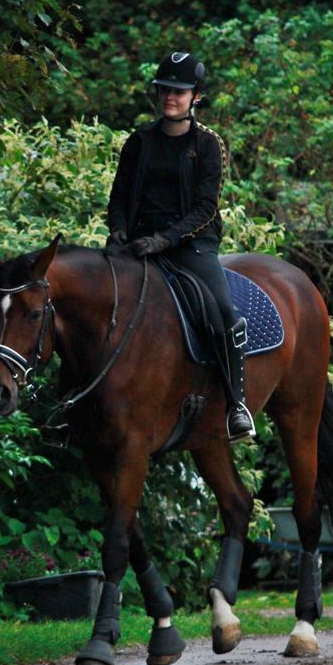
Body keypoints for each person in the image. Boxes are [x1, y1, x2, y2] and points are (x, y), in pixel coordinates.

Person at [106, 51, 255, 442]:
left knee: (222, 309)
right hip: (138, 244)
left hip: (191, 244)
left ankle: (237, 404)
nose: (170, 97)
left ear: (195, 96)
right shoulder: (138, 141)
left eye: (179, 91)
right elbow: (118, 196)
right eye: (165, 90)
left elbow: (207, 207)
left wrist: (167, 239)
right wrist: (119, 231)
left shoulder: (209, 145)